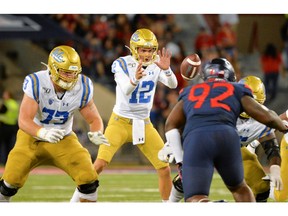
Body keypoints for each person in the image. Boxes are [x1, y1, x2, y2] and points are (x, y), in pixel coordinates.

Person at [70, 28, 177, 202]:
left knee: (164, 168)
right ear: (135, 49)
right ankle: (73, 203)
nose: (148, 54)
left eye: (150, 50)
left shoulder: (156, 63)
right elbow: (126, 89)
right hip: (120, 122)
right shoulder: (122, 64)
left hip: (144, 123)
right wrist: (134, 79)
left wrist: (166, 70)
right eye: (143, 49)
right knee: (99, 165)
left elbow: (172, 84)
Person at [161, 58, 288, 202]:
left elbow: (173, 124)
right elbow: (270, 118)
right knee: (239, 187)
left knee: (195, 193)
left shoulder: (191, 91)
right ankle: (170, 203)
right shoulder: (238, 91)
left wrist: (178, 154)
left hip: (201, 139)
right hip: (228, 140)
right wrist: (283, 126)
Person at [0, 45, 108, 202]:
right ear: (53, 69)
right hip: (32, 138)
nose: (71, 77)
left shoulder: (83, 86)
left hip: (63, 138)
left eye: (74, 72)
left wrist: (97, 131)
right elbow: (24, 120)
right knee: (10, 181)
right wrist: (43, 132)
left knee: (89, 179)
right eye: (66, 72)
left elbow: (94, 118)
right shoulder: (37, 82)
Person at [0, 90, 19, 165]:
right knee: (10, 144)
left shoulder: (6, 104)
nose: (4, 96)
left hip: (5, 126)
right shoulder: (15, 104)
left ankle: (3, 161)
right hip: (13, 126)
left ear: (9, 95)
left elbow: (2, 113)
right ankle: (9, 161)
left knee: (2, 145)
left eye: (5, 95)